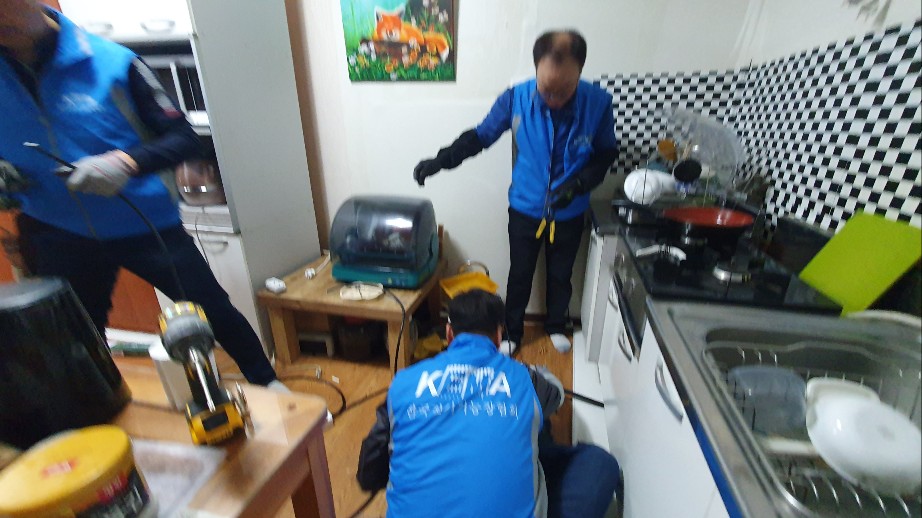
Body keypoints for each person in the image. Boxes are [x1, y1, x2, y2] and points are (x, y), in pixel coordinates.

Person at [0, 1, 286, 390]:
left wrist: (126, 163)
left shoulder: (114, 63)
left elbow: (184, 138)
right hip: (55, 229)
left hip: (143, 223)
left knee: (213, 310)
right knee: (77, 335)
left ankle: (268, 384)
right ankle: (104, 406)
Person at [413, 30, 618, 355]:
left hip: (571, 209)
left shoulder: (599, 103)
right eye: (547, 90)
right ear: (536, 70)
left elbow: (606, 153)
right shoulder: (515, 99)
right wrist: (441, 160)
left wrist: (580, 184)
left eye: (564, 90)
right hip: (525, 207)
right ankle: (512, 332)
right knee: (520, 273)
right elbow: (479, 137)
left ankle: (556, 325)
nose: (554, 99)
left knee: (561, 274)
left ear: (580, 72)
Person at [357, 289, 621, 518]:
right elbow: (558, 395)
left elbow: (368, 470)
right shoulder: (523, 378)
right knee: (596, 461)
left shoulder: (405, 382)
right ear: (498, 336)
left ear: (449, 334)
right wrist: (534, 371)